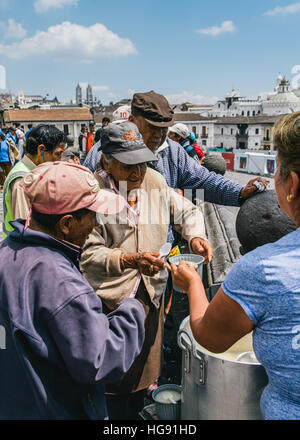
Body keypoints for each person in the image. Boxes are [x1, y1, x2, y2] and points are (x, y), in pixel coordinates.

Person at [171, 112, 300, 420]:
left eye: (276, 167)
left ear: (292, 183)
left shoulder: (265, 269)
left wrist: (193, 283)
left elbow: (208, 335)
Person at [80, 121, 213, 420]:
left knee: (142, 376)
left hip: (150, 296)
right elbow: (89, 254)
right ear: (106, 161)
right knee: (111, 380)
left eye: (141, 162)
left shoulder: (153, 181)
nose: (137, 173)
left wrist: (195, 235)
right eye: (128, 165)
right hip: (110, 301)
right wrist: (130, 260)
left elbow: (188, 210)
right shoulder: (92, 193)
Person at [0, 161, 145, 419]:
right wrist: (131, 310)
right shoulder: (60, 281)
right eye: (92, 215)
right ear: (66, 224)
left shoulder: (6, 251)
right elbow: (99, 360)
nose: (94, 225)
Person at [84, 91, 268, 214]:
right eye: (152, 128)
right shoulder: (103, 150)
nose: (159, 136)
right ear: (132, 120)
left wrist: (241, 192)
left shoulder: (172, 151)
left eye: (164, 129)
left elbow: (203, 181)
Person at [2, 124, 66, 239]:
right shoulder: (22, 179)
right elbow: (24, 229)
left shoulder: (33, 173)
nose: (60, 160)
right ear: (41, 150)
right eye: (57, 154)